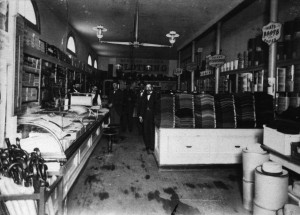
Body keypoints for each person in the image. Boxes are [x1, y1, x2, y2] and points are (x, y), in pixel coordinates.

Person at [139, 83, 156, 154]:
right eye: (147, 87)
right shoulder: (144, 95)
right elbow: (142, 106)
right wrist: (140, 116)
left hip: (152, 116)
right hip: (145, 115)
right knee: (145, 131)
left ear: (152, 87)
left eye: (149, 87)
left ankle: (152, 147)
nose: (148, 88)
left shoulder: (156, 95)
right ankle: (147, 146)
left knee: (151, 131)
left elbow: (157, 106)